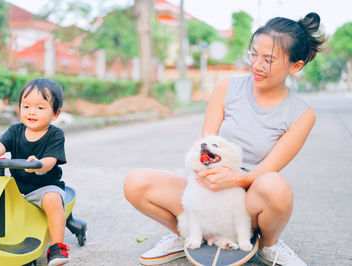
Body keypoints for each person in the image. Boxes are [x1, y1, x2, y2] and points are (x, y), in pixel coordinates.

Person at [124, 12, 326, 266]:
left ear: (295, 66)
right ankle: (186, 236)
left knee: (276, 187)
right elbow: (206, 148)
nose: (256, 64)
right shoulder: (225, 88)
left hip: (246, 202)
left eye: (269, 59)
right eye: (254, 54)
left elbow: (268, 169)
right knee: (136, 182)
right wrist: (203, 158)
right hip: (207, 189)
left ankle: (268, 245)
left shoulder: (302, 115)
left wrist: (238, 179)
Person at [0, 78, 70, 266]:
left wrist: (38, 164)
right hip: (17, 189)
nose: (31, 112)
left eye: (40, 107)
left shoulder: (55, 135)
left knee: (53, 199)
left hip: (44, 188)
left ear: (55, 113)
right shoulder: (15, 131)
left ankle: (57, 247)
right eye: (26, 106)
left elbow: (50, 161)